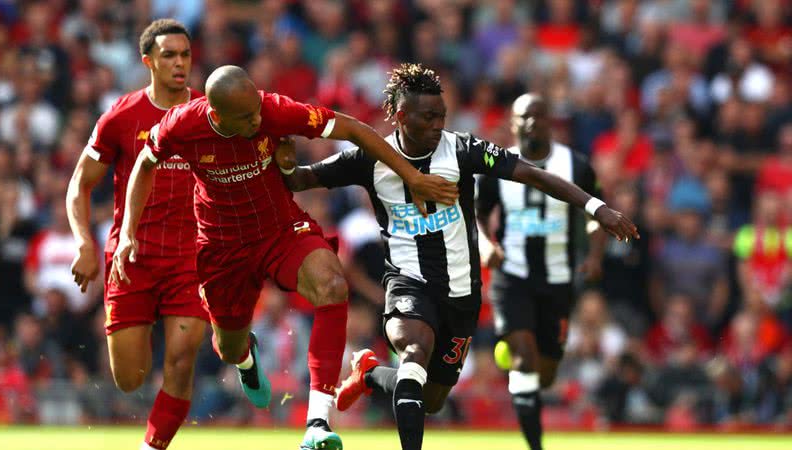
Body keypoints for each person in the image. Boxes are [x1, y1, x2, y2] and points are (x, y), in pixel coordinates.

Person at [274, 63, 638, 450]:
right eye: (428, 116)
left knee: (431, 399)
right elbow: (302, 179)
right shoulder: (370, 157)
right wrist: (280, 156)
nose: (437, 124)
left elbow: (533, 175)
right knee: (414, 352)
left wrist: (597, 208)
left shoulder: (463, 149)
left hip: (462, 293)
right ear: (401, 116)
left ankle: (368, 374)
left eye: (441, 116)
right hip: (408, 281)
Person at [111, 65, 457, 450]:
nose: (259, 120)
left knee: (332, 284)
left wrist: (412, 176)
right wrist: (128, 232)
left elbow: (354, 129)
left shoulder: (274, 110)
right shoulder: (181, 124)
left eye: (258, 109)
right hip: (222, 247)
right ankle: (246, 359)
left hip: (279, 229)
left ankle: (317, 423)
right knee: (228, 346)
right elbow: (144, 163)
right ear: (216, 114)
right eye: (247, 117)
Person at [65, 19, 207, 450]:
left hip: (190, 258)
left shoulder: (211, 112)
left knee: (182, 361)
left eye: (185, 54)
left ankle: (152, 445)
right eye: (169, 55)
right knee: (131, 379)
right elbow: (78, 184)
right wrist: (84, 243)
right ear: (148, 61)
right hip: (132, 257)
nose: (180, 63)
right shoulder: (122, 116)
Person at [475, 93, 608, 450]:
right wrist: (487, 245)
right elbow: (477, 213)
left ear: (552, 121)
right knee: (524, 358)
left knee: (545, 371)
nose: (533, 123)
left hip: (559, 279)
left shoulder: (576, 165)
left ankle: (527, 380)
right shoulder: (496, 166)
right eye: (524, 116)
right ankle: (535, 446)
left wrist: (594, 254)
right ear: (513, 123)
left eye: (540, 115)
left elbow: (596, 216)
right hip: (512, 275)